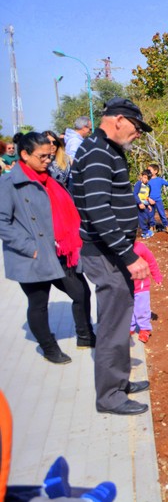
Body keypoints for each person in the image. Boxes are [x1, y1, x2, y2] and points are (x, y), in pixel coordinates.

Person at [70, 97, 153, 416]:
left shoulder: (106, 149)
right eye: (136, 127)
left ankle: (118, 382)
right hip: (106, 253)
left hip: (113, 251)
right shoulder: (97, 152)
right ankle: (110, 397)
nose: (138, 133)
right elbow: (97, 209)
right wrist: (128, 256)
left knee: (119, 320)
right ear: (118, 120)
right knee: (112, 325)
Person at [0, 132, 95, 364]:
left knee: (81, 292)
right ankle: (49, 348)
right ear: (24, 155)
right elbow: (2, 221)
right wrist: (29, 247)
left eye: (50, 155)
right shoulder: (9, 183)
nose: (48, 160)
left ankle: (86, 336)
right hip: (32, 256)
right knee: (39, 304)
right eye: (42, 156)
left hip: (60, 251)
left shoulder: (50, 178)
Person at [130, 241, 162, 343]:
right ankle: (130, 326)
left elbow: (151, 262)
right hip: (125, 286)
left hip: (141, 285)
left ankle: (145, 329)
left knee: (142, 308)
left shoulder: (140, 247)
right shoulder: (117, 248)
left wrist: (157, 276)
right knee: (127, 308)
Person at [133, 169, 155, 240]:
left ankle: (145, 230)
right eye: (145, 177)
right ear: (141, 176)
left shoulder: (148, 186)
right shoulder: (139, 184)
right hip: (139, 204)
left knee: (146, 217)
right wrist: (139, 203)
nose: (146, 180)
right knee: (142, 218)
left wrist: (148, 205)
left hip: (144, 204)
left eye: (147, 178)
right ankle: (144, 232)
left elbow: (146, 197)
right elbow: (135, 194)